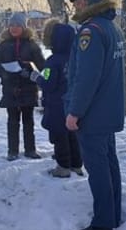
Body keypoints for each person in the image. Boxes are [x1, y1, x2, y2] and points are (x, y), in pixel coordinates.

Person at [65, 0, 125, 230]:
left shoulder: (90, 31)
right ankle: (113, 214)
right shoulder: (111, 27)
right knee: (109, 163)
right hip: (108, 110)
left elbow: (86, 78)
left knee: (98, 168)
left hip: (92, 114)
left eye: (75, 4)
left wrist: (74, 112)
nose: (74, 10)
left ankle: (102, 224)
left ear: (82, 1)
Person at [22, 19, 83, 178]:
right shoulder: (77, 58)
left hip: (56, 105)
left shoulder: (52, 62)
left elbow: (48, 84)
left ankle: (63, 166)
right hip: (73, 103)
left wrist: (36, 77)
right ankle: (76, 165)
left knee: (59, 135)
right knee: (72, 136)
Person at [0, 12, 45, 161]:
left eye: (17, 25)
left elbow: (42, 66)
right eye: (11, 25)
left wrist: (33, 73)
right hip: (10, 89)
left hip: (28, 88)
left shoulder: (31, 45)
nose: (14, 28)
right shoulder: (3, 45)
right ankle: (12, 151)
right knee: (12, 121)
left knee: (28, 121)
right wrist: (4, 73)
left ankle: (30, 149)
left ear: (24, 27)